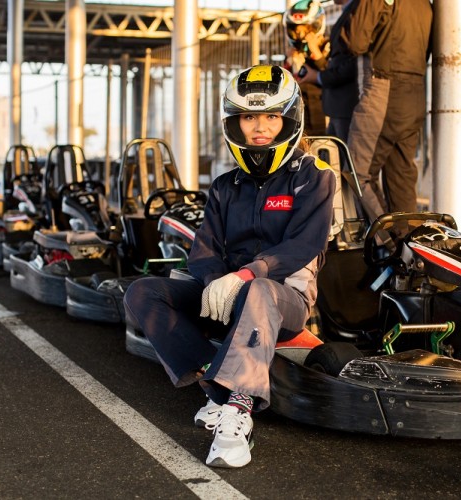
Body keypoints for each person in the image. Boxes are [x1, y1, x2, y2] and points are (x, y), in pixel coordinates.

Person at [124, 65, 336, 469]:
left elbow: (305, 245)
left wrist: (245, 275)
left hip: (282, 299)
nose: (260, 127)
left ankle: (238, 411)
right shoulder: (225, 186)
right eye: (250, 117)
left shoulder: (313, 177)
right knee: (142, 293)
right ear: (235, 122)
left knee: (257, 291)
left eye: (271, 117)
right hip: (229, 297)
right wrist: (213, 282)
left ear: (288, 119)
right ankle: (217, 390)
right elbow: (204, 249)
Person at [341, 0, 433, 221]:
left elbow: (355, 42)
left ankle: (389, 242)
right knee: (401, 176)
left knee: (357, 173)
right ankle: (408, 248)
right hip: (416, 92)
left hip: (383, 88)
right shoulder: (425, 4)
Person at [296, 0, 360, 143]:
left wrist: (318, 72)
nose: (301, 35)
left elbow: (348, 65)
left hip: (343, 107)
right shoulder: (347, 13)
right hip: (332, 109)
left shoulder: (356, 14)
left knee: (347, 157)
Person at [283, 0, 328, 135]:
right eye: (296, 31)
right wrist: (290, 62)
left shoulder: (327, 46)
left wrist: (316, 52)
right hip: (301, 110)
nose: (300, 35)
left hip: (323, 109)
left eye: (305, 31)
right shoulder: (293, 52)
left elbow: (331, 74)